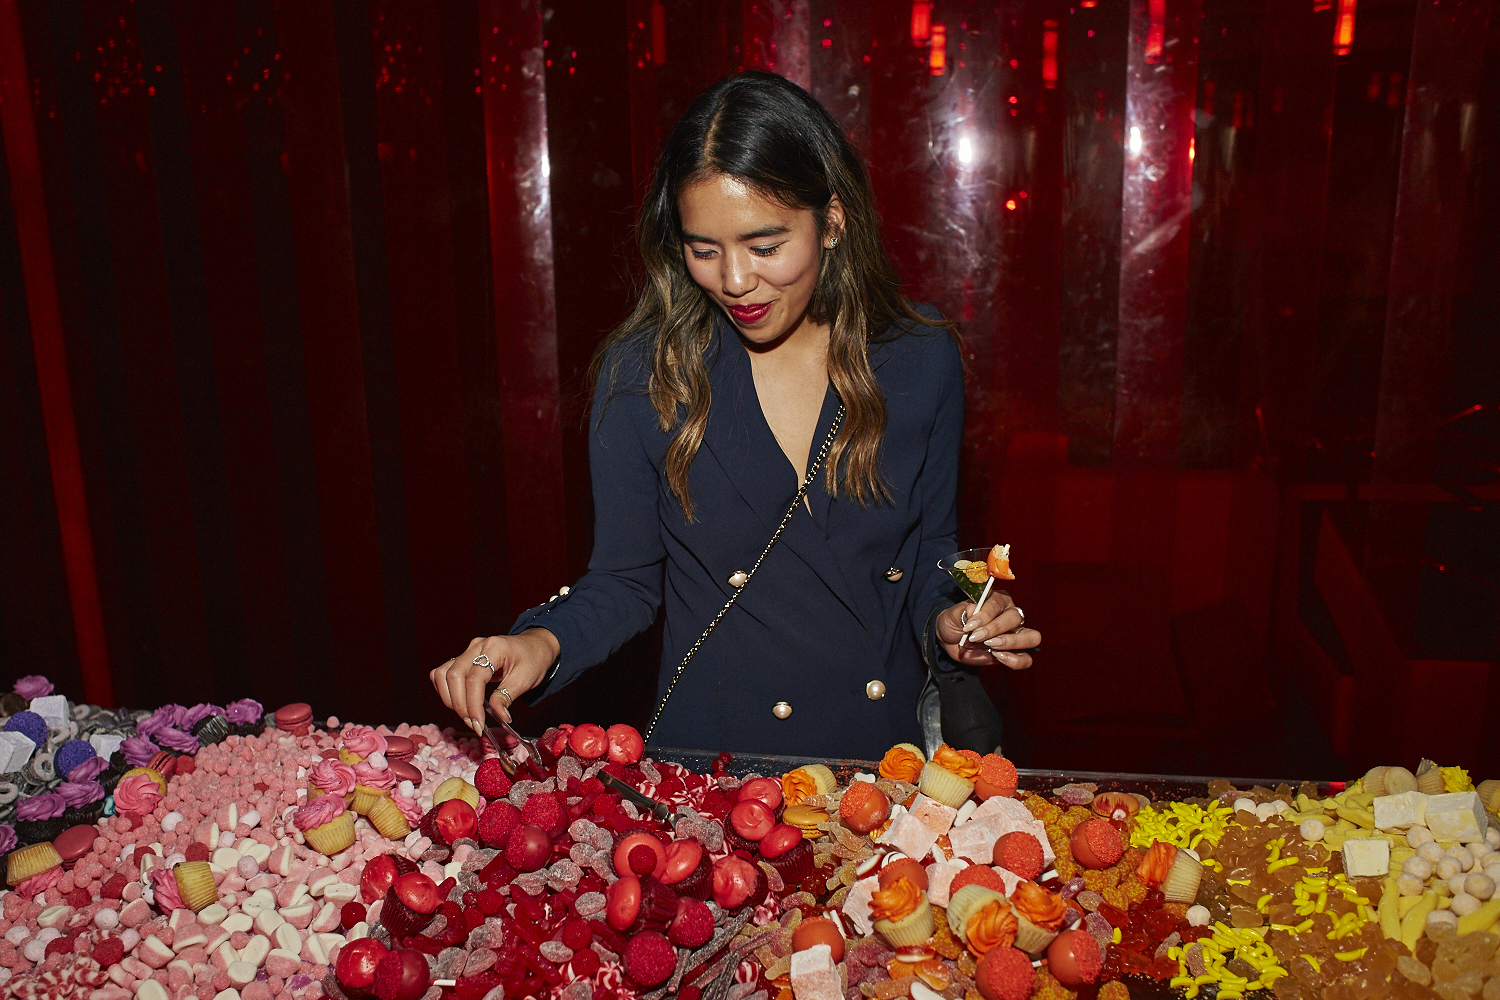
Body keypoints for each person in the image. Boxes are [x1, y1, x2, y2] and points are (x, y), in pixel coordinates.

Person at [430, 71, 1039, 760]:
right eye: (704, 249)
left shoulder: (917, 357)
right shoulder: (646, 374)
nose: (735, 280)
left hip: (877, 765)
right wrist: (541, 641)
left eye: (765, 246)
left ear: (833, 220)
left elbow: (929, 555)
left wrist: (959, 617)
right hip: (716, 770)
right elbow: (625, 581)